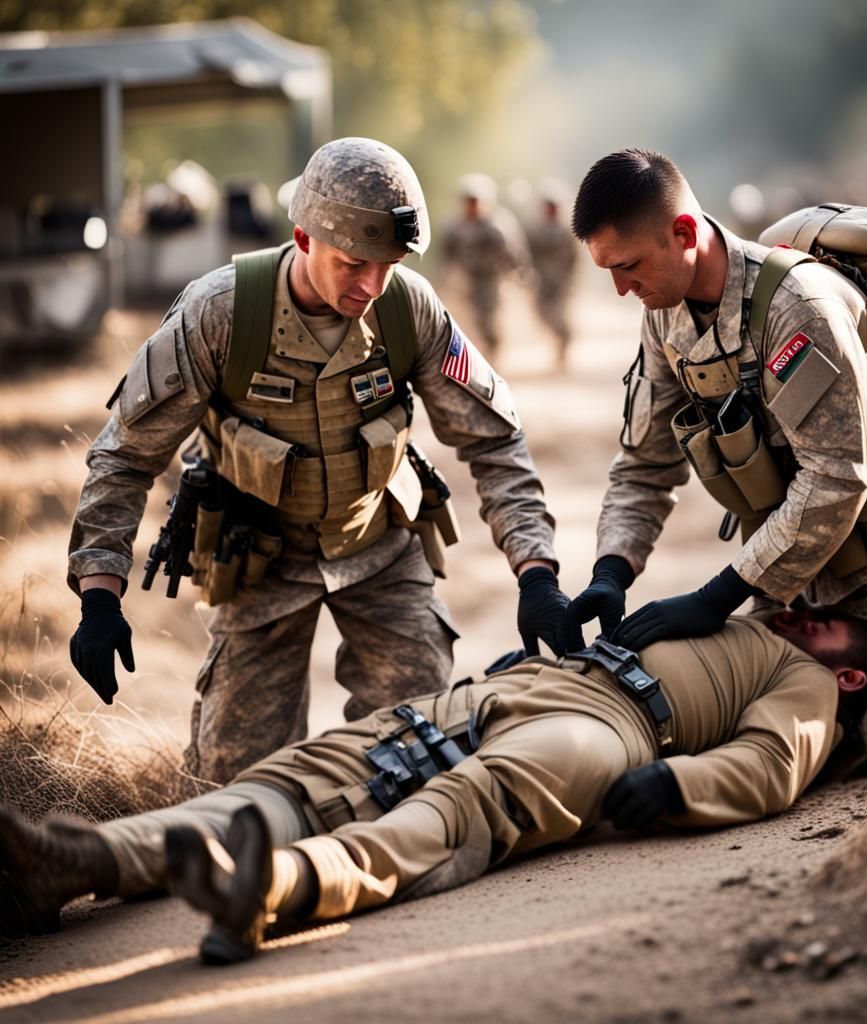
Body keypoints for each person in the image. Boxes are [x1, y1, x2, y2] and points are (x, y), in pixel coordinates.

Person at [66, 138, 568, 784]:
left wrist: (536, 571)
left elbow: (493, 440)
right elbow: (126, 457)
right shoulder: (220, 315)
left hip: (380, 549)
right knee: (235, 786)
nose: (372, 284)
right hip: (259, 563)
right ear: (303, 239)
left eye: (389, 263)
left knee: (424, 761)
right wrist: (99, 598)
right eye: (354, 263)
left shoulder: (407, 308)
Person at [0, 607, 867, 962]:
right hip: (521, 687)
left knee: (457, 805)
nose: (818, 610)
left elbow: (776, 764)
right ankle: (81, 860)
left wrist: (677, 782)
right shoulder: (741, 612)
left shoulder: (806, 679)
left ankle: (273, 889)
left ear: (851, 676)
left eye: (840, 625)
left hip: (610, 730)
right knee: (314, 770)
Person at [561, 147, 867, 776]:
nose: (622, 289)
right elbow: (644, 464)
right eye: (608, 274)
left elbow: (838, 475)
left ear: (684, 233)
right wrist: (611, 569)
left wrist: (716, 596)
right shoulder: (663, 316)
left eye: (628, 267)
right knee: (749, 712)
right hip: (798, 564)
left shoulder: (796, 309)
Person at [438, 173, 529, 359]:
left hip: (492, 279)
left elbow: (513, 252)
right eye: (468, 201)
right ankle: (476, 354)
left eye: (475, 201)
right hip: (468, 277)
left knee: (488, 317)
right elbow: (447, 253)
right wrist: (443, 278)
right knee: (468, 319)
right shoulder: (455, 226)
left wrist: (520, 273)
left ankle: (493, 348)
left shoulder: (497, 225)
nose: (472, 206)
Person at [526, 180, 579, 368]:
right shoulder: (534, 230)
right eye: (548, 205)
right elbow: (527, 253)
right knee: (541, 312)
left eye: (554, 205)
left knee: (559, 315)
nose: (551, 209)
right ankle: (561, 337)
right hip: (541, 281)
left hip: (561, 281)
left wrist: (571, 279)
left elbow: (575, 258)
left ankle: (564, 341)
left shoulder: (568, 231)